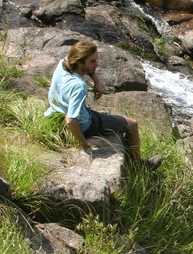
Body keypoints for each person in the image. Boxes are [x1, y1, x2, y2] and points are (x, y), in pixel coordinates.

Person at [46, 40, 157, 168]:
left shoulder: (63, 63)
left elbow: (82, 66)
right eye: (92, 61)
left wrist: (97, 81)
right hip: (85, 125)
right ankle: (139, 165)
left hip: (56, 113)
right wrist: (85, 143)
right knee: (132, 124)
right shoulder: (79, 87)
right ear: (80, 62)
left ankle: (128, 152)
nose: (97, 64)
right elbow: (71, 120)